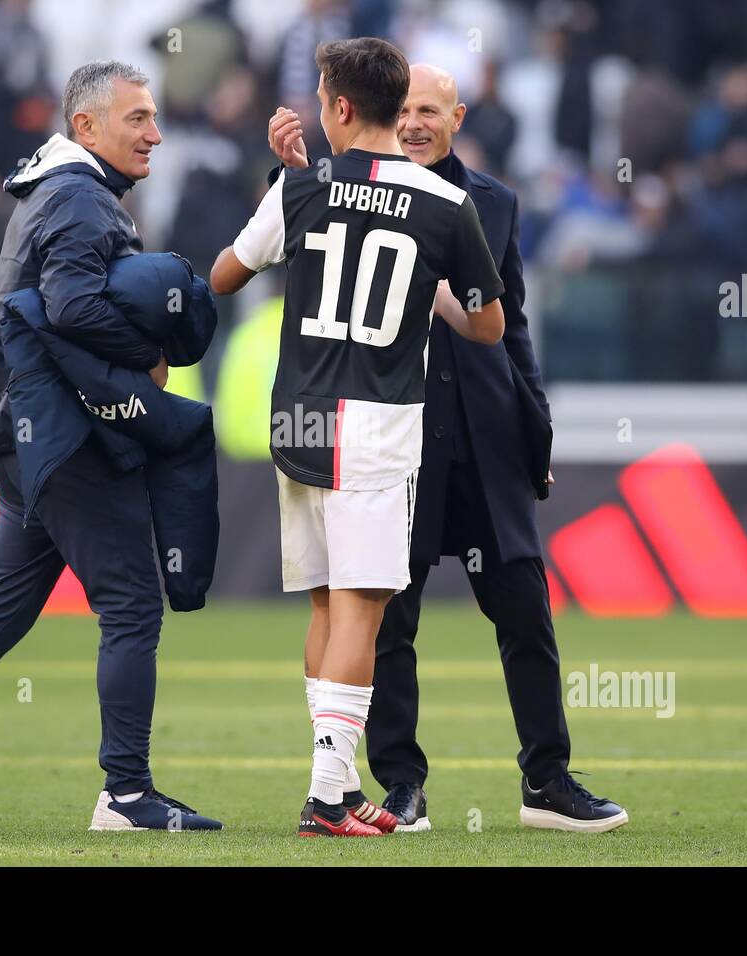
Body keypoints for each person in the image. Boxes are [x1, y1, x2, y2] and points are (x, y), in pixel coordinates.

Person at [0, 61, 222, 832]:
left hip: (28, 433)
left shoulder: (60, 189)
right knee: (130, 605)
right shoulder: (83, 198)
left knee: (4, 606)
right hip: (64, 434)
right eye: (138, 119)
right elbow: (73, 305)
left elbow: (58, 306)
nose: (155, 132)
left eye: (155, 117)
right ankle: (125, 794)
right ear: (86, 127)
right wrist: (149, 360)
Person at [268, 62, 628, 833]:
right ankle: (402, 784)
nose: (414, 123)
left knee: (526, 609)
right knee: (389, 619)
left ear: (458, 116)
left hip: (487, 438)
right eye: (402, 110)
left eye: (429, 109)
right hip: (396, 437)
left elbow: (514, 326)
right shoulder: (352, 190)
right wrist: (291, 172)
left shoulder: (495, 202)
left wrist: (535, 432)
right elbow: (304, 239)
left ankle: (547, 781)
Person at [210, 38, 505, 837]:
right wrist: (427, 286)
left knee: (324, 607)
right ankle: (328, 795)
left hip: (299, 420)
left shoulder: (300, 187)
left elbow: (225, 275)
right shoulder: (445, 204)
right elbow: (488, 323)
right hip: (374, 426)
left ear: (338, 107)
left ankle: (334, 787)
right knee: (361, 615)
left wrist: (302, 185)